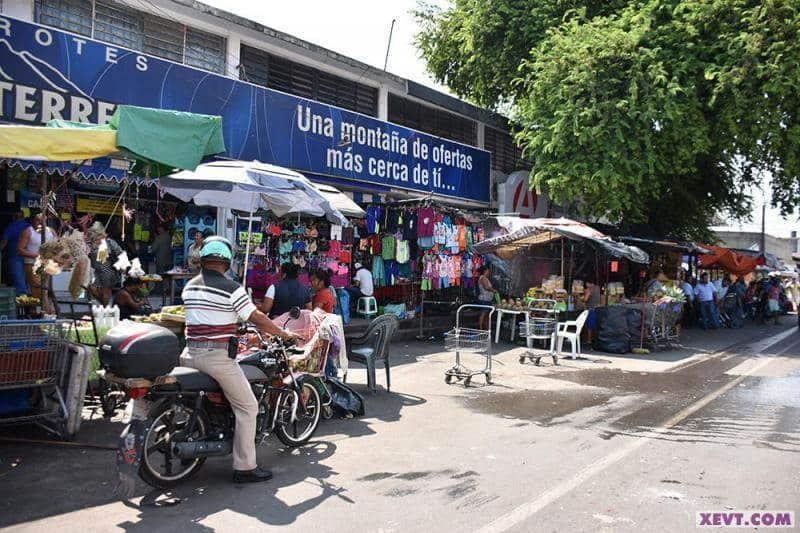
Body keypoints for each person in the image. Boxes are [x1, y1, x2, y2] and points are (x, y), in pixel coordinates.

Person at [182, 236, 296, 483]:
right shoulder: (231, 288)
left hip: (188, 355)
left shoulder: (189, 285)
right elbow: (256, 317)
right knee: (248, 407)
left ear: (203, 260)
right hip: (215, 359)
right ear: (226, 261)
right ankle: (245, 467)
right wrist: (283, 332)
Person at [16, 210, 56, 299]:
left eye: (43, 221)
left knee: (45, 289)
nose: (41, 223)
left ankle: (44, 309)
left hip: (47, 264)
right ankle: (39, 309)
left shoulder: (51, 231)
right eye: (38, 220)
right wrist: (38, 256)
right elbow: (20, 249)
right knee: (36, 288)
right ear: (33, 220)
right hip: (32, 264)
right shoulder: (28, 231)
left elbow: (57, 246)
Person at [86, 222, 123, 305]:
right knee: (91, 288)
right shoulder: (90, 244)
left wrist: (122, 267)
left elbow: (120, 253)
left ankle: (106, 308)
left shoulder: (109, 242)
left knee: (106, 290)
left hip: (108, 270)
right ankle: (103, 303)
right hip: (95, 270)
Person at [1, 210, 31, 295]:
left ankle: (23, 297)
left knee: (18, 277)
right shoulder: (29, 226)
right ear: (23, 217)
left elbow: (4, 241)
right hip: (29, 255)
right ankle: (30, 296)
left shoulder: (11, 226)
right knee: (28, 277)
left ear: (13, 217)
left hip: (15, 255)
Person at [477, 265, 496, 330]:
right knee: (483, 313)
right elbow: (486, 287)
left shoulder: (483, 278)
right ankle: (481, 328)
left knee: (487, 314)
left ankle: (486, 328)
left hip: (487, 299)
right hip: (484, 299)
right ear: (485, 271)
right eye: (488, 270)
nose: (489, 272)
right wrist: (494, 290)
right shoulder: (483, 278)